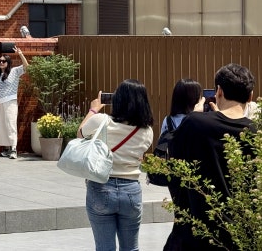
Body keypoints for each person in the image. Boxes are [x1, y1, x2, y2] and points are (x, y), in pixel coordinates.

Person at [164, 63, 256, 251]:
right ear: (250, 96)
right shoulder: (256, 133)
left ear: (219, 91)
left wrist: (195, 115)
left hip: (193, 237)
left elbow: (172, 157)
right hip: (240, 239)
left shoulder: (195, 123)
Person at [77, 80, 154, 251]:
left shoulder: (101, 121)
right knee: (131, 248)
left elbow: (80, 133)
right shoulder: (147, 131)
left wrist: (93, 110)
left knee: (105, 248)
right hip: (131, 190)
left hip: (101, 187)